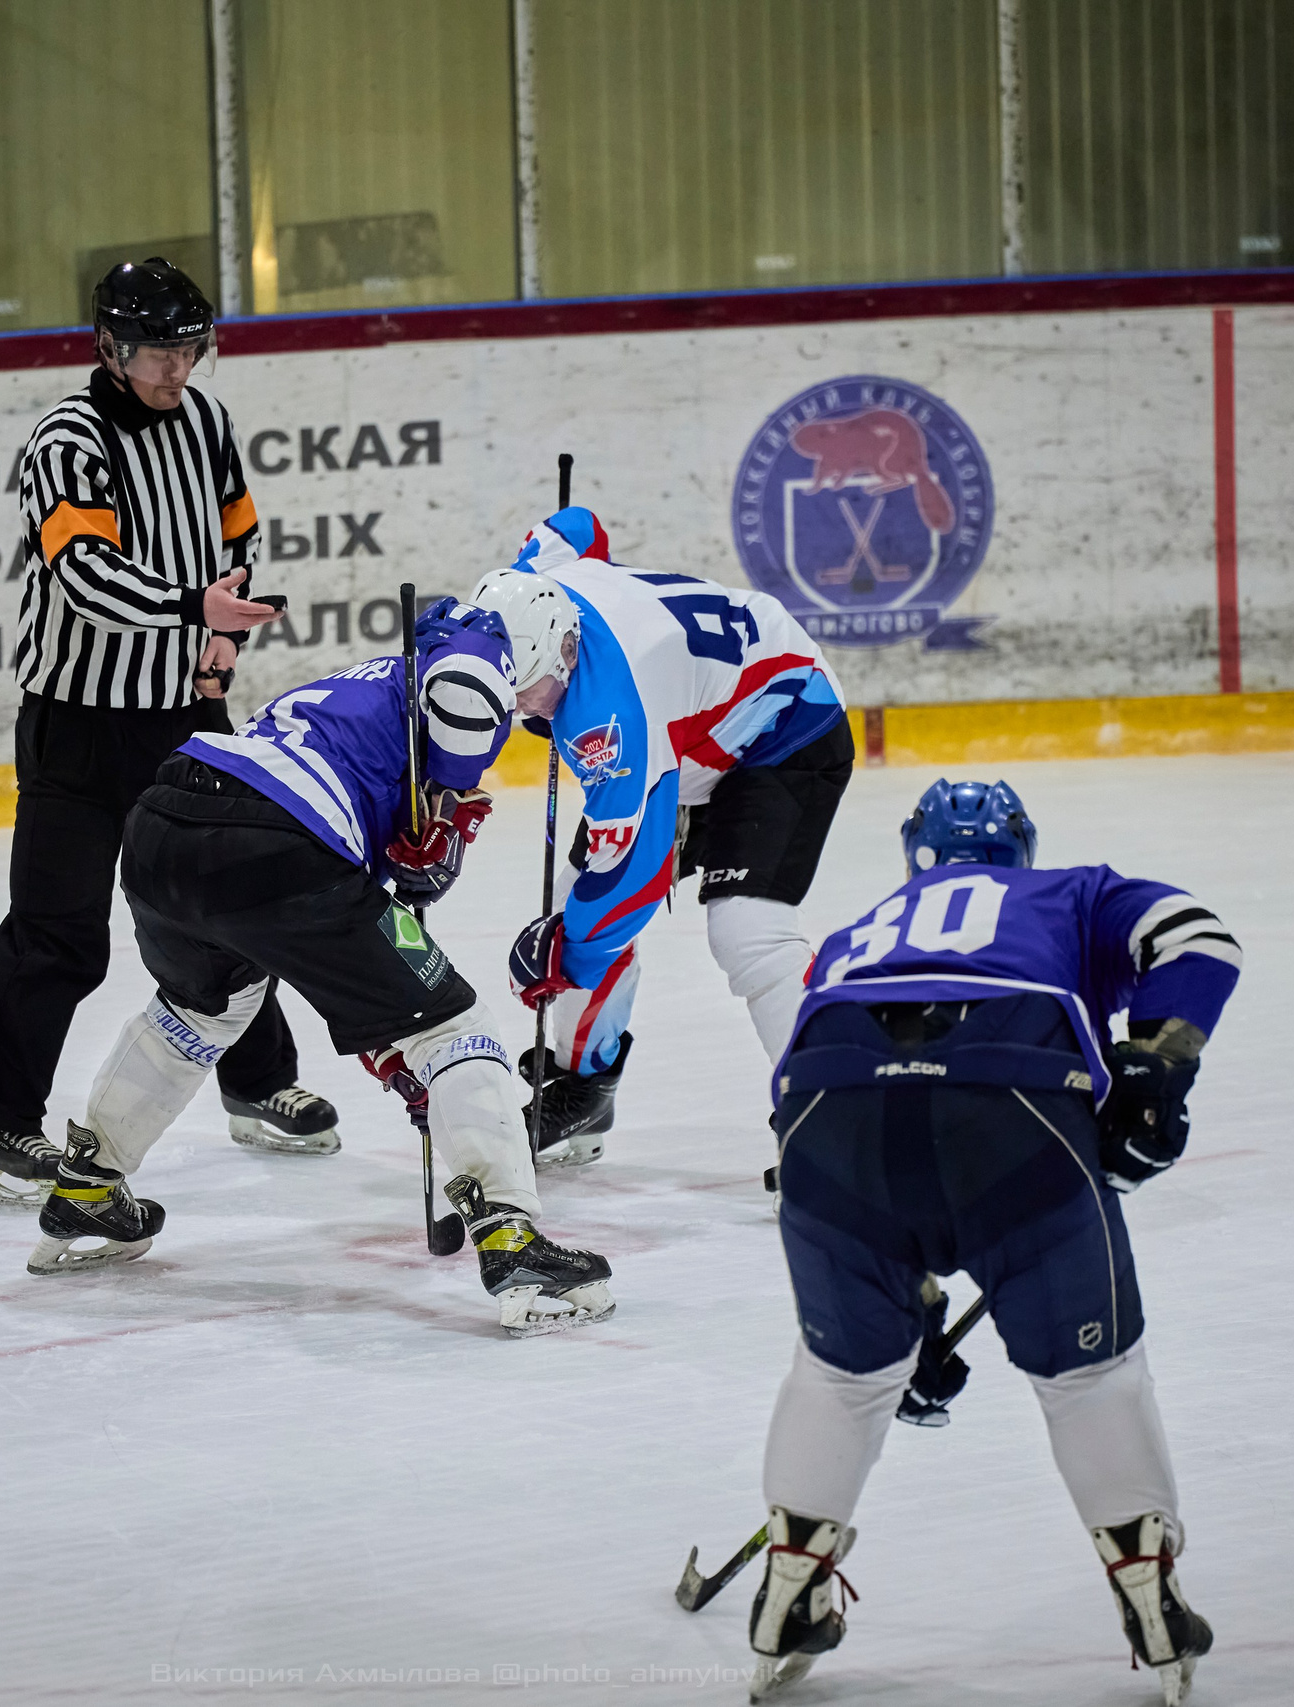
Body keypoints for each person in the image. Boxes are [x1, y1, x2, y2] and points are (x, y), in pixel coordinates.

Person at [742, 779, 1242, 1704]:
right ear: (1022, 849)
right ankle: (1148, 1588)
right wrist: (1157, 1061)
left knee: (845, 1376)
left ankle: (791, 1587)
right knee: (1090, 1374)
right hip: (1008, 1092)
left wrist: (907, 1306)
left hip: (823, 1113)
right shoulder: (1072, 891)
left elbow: (824, 1096)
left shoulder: (866, 927)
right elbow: (1201, 939)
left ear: (913, 856)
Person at [23, 594, 616, 1338]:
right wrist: (447, 793)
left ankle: (87, 1185)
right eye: (561, 654)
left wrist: (423, 835)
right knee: (452, 1024)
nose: (562, 675)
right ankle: (511, 1237)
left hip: (168, 824)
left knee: (199, 1011)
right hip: (275, 842)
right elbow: (463, 689)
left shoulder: (372, 680)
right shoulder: (477, 654)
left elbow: (340, 930)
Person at [0, 257, 338, 1211]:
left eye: (188, 347)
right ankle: (2, 1125)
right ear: (110, 348)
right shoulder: (67, 437)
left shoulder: (206, 421)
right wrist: (190, 607)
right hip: (78, 721)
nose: (177, 367)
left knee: (232, 900)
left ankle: (255, 1084)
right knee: (59, 931)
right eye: (158, 351)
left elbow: (238, 532)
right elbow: (82, 572)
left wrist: (216, 641)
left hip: (184, 709)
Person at [483, 507, 851, 1167]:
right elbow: (577, 526)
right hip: (686, 726)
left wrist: (565, 960)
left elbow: (637, 879)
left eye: (532, 691)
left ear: (567, 652)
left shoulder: (605, 721)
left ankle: (833, 1122)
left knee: (747, 931)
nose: (523, 709)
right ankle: (585, 1084)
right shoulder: (535, 580)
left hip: (787, 721)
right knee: (574, 906)